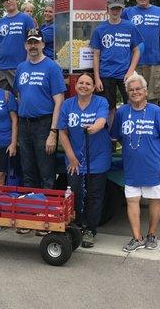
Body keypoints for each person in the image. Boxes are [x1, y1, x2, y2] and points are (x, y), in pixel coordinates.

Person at [111, 74, 160, 252]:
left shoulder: (157, 112)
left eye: (138, 89)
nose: (135, 92)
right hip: (132, 167)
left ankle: (152, 234)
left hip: (154, 166)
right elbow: (116, 136)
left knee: (154, 200)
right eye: (131, 90)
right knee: (132, 200)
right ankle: (137, 237)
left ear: (146, 91)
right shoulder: (122, 112)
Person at [57, 73, 111, 248]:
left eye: (88, 83)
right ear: (76, 85)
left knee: (95, 195)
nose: (84, 86)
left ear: (94, 87)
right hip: (75, 159)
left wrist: (95, 127)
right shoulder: (67, 104)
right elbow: (62, 132)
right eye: (81, 83)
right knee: (75, 193)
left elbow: (102, 120)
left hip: (98, 157)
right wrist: (71, 157)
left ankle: (90, 229)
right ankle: (76, 225)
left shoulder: (101, 102)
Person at [14, 29, 66, 192]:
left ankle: (46, 213)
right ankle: (32, 210)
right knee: (28, 171)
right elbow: (19, 94)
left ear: (43, 44)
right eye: (30, 43)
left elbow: (59, 101)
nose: (33, 46)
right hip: (24, 124)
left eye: (36, 42)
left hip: (44, 124)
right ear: (25, 46)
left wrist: (53, 132)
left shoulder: (52, 67)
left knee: (46, 173)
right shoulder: (21, 67)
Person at [92, 0, 143, 125]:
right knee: (109, 108)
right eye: (113, 8)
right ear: (107, 9)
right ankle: (111, 140)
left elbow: (137, 50)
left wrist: (131, 71)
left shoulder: (129, 26)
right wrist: (97, 78)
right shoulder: (100, 29)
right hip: (106, 74)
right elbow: (96, 55)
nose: (115, 11)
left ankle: (131, 133)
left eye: (118, 8)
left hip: (125, 74)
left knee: (132, 104)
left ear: (122, 9)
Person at [122, 0, 160, 104]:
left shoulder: (159, 11)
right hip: (133, 64)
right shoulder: (127, 12)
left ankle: (151, 122)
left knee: (153, 99)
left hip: (154, 62)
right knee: (133, 97)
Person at [0, 0, 35, 91]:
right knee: (4, 100)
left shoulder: (26, 19)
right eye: (5, 0)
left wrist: (27, 63)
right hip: (1, 67)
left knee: (21, 97)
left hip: (19, 66)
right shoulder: (0, 22)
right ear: (3, 3)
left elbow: (33, 42)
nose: (9, 1)